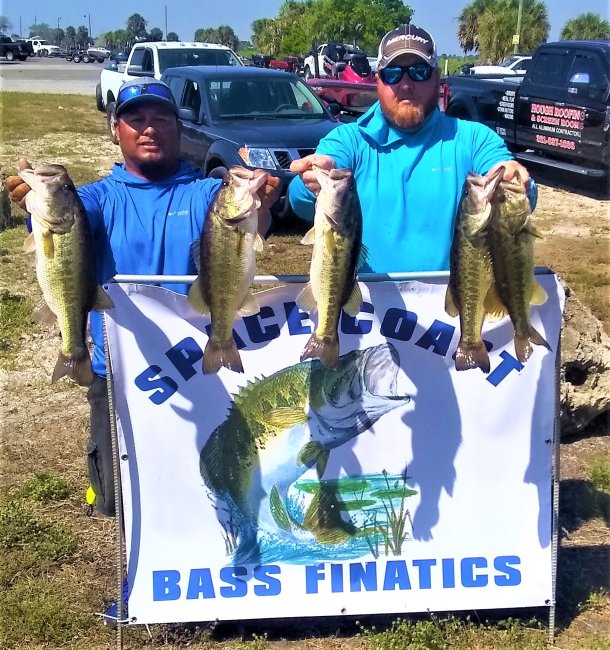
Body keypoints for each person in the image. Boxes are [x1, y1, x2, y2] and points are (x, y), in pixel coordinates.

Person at [7, 77, 280, 518]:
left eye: (161, 119)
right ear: (116, 131)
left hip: (196, 369)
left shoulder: (206, 195)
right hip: (119, 373)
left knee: (205, 489)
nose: (149, 128)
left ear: (179, 129)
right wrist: (36, 202)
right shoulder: (96, 198)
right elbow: (64, 224)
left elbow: (248, 228)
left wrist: (261, 204)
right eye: (136, 120)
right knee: (119, 499)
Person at [288, 23, 535, 273]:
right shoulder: (348, 140)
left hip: (452, 297)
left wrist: (515, 179)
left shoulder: (475, 139)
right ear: (378, 81)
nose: (406, 84)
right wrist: (310, 181)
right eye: (393, 73)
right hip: (365, 298)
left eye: (419, 72)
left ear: (437, 78)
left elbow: (516, 183)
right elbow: (299, 200)